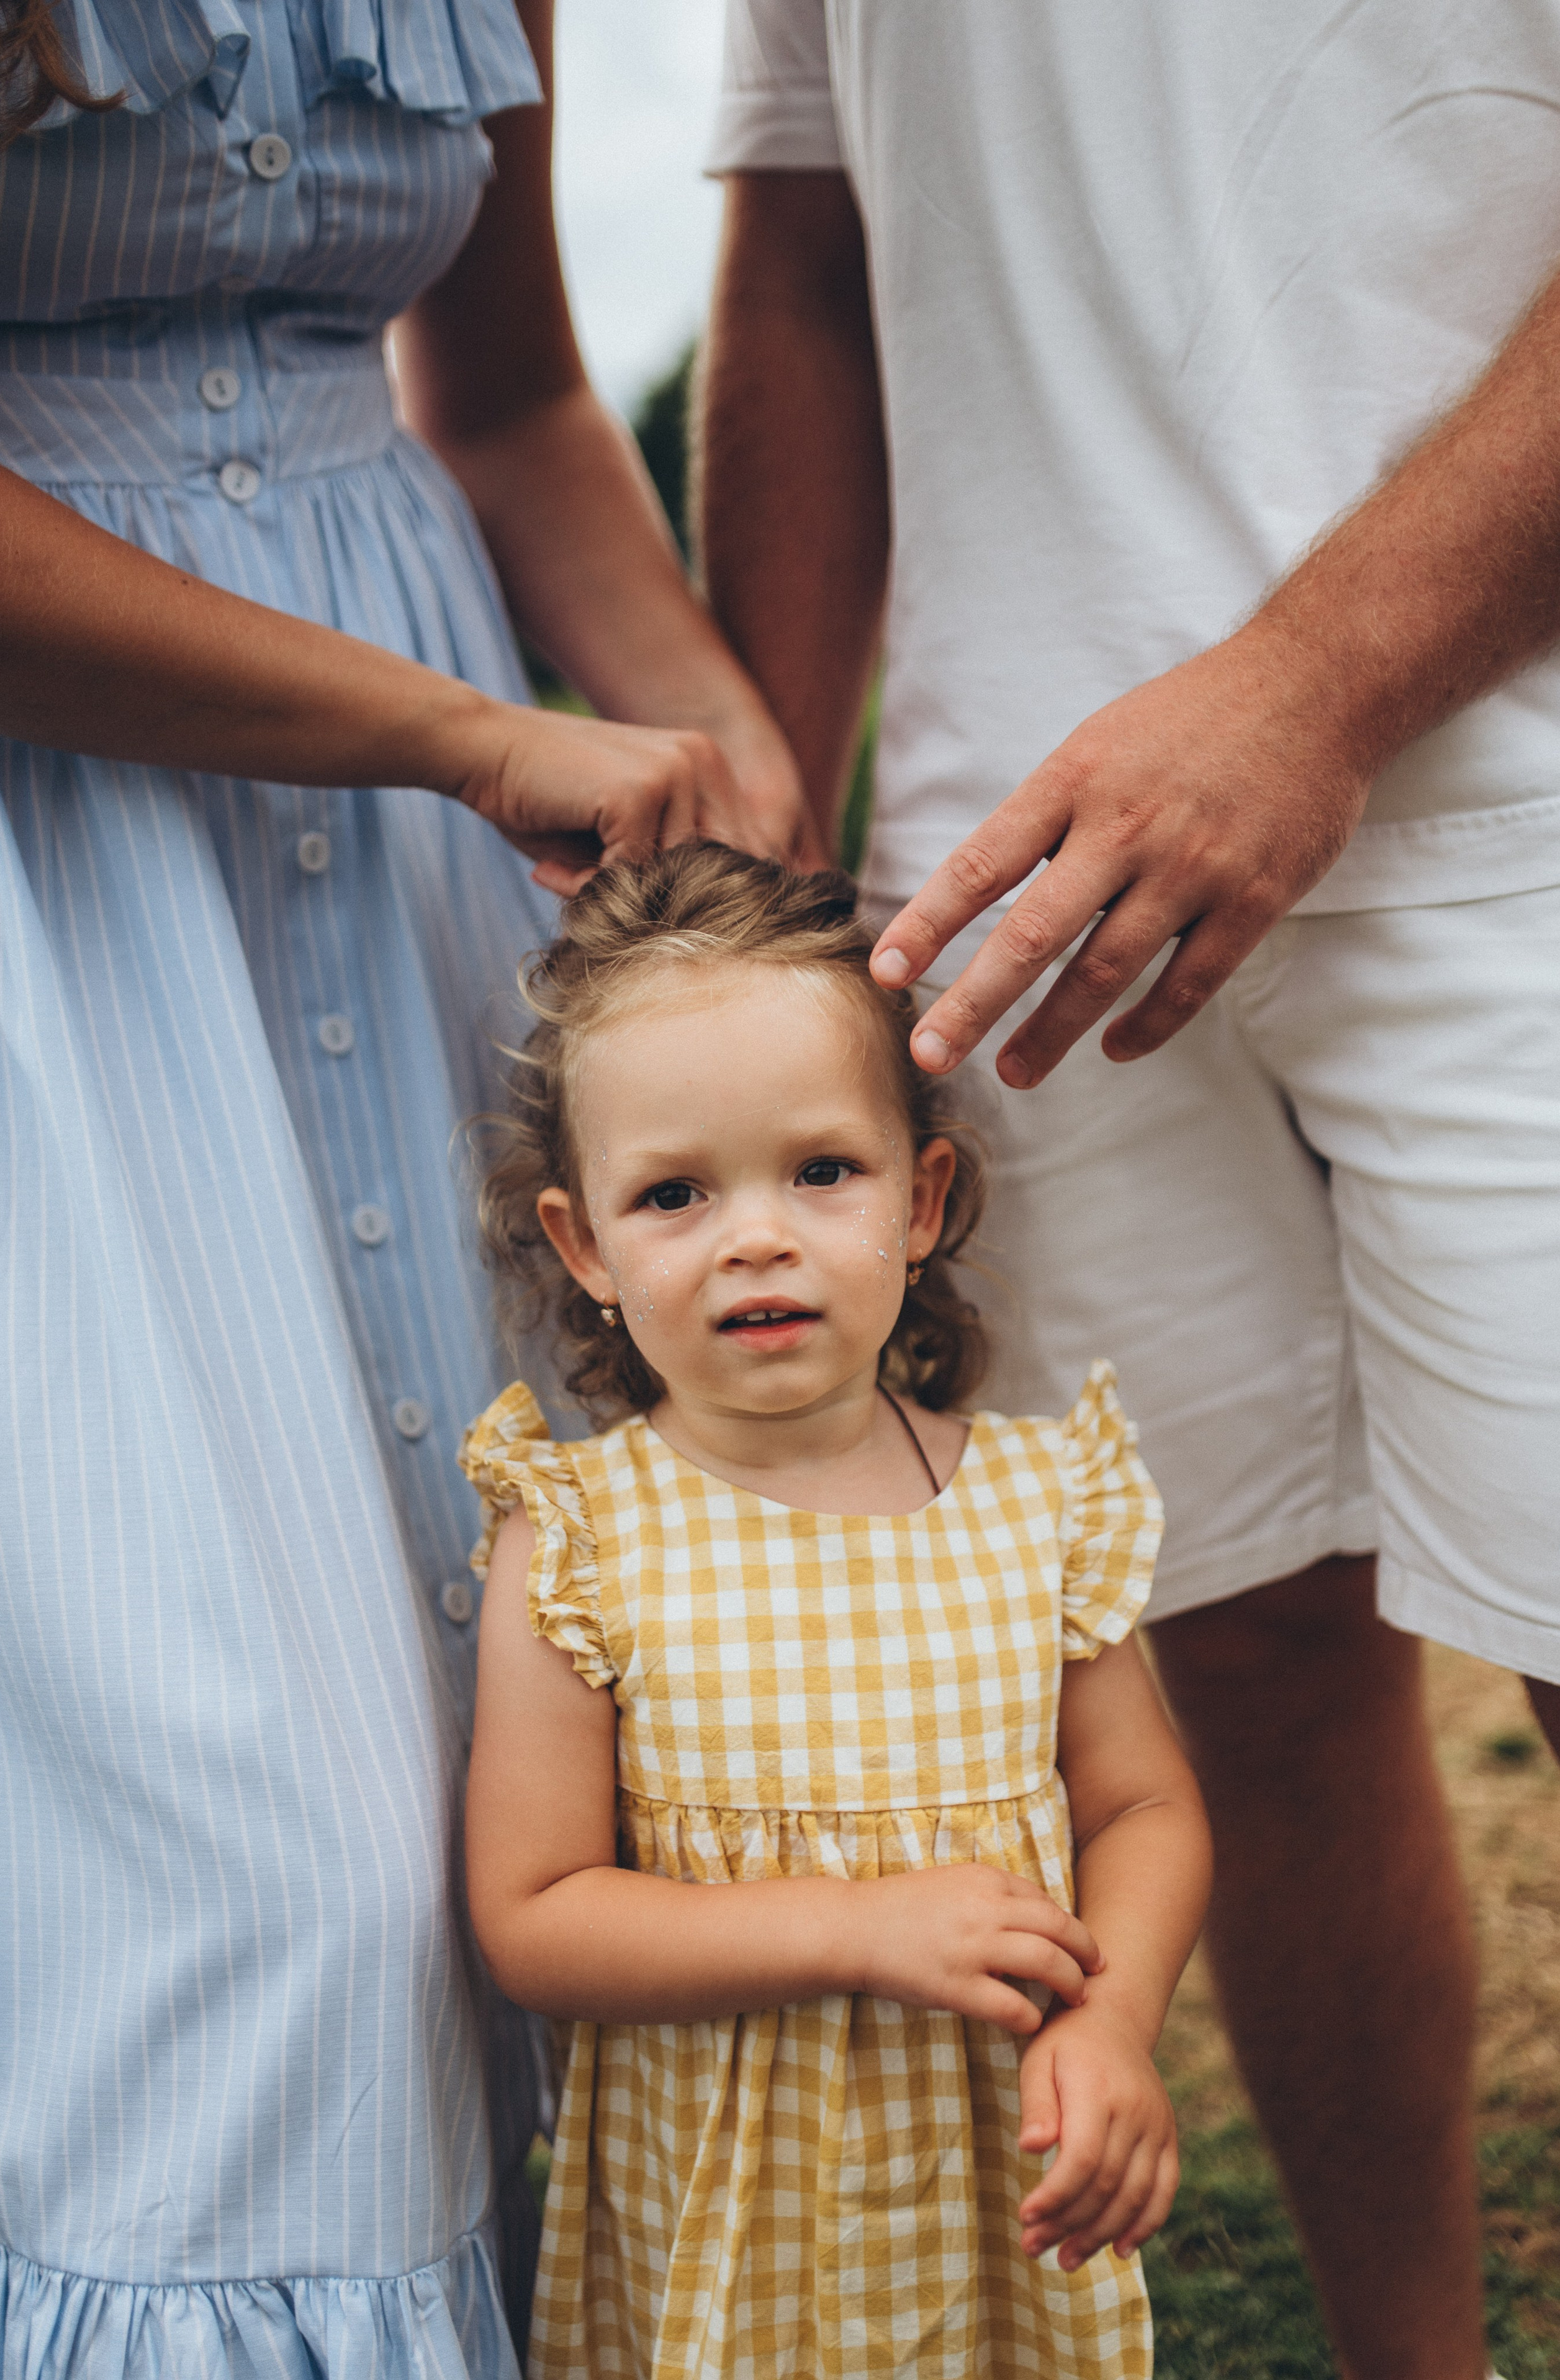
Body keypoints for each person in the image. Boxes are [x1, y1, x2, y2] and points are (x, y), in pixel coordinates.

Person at [695, 8, 1560, 2377]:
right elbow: (805, 251)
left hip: (1518, 793)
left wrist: (1309, 682)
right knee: (1258, 1657)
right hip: (1014, 873)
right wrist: (772, 886)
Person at [0, 0, 802, 2368]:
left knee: (527, 1765)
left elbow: (516, 391)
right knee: (266, 1883)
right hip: (42, 885)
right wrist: (460, 730)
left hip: (434, 850)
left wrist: (724, 761)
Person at [459, 843, 1212, 2379]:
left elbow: (1142, 1804)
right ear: (583, 1246)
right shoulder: (585, 1538)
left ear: (920, 1197)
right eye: (672, 1192)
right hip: (730, 2213)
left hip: (992, 2174)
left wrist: (1110, 2016)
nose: (755, 1235)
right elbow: (534, 1913)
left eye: (821, 1169)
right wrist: (855, 1927)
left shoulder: (1033, 1500)